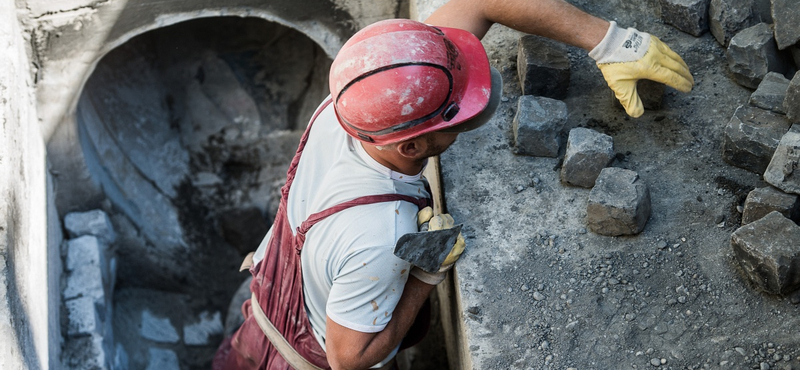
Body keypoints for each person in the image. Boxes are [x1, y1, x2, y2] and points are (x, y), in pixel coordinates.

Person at [214, 0, 694, 369]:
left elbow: (482, 1)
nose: (471, 101)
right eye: (455, 112)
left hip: (262, 317)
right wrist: (425, 277)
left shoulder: (364, 95)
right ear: (411, 149)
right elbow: (349, 360)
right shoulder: (380, 233)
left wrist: (610, 42)